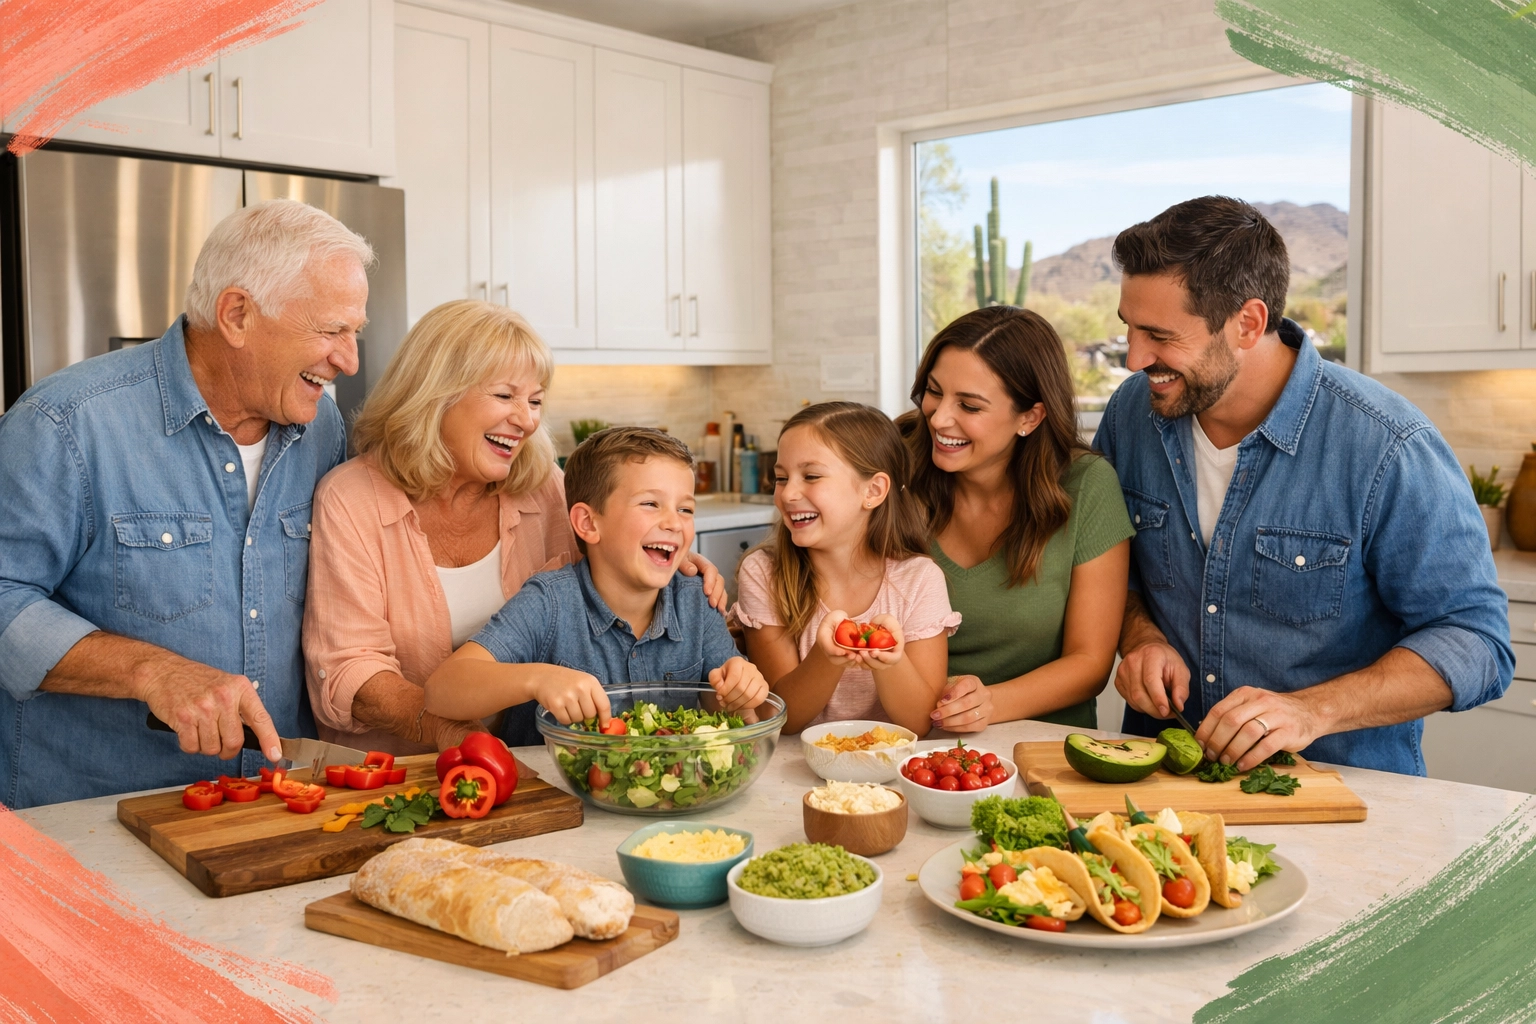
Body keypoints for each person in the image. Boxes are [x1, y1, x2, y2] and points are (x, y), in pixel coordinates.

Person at [1095, 195, 1513, 774]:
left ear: (1248, 323)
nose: (1135, 358)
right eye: (1129, 330)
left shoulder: (1386, 445)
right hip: (1166, 787)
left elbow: (1476, 641)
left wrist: (1312, 712)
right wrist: (1140, 637)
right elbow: (1111, 573)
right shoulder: (1130, 416)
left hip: (1346, 792)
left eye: (1160, 336)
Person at [0, 199, 371, 807]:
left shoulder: (322, 426)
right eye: (331, 331)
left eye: (354, 332)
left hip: (268, 809)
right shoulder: (64, 423)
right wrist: (151, 672)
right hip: (93, 823)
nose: (349, 360)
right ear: (237, 315)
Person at [305, 303, 728, 755]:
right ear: (436, 394)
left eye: (535, 401)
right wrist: (457, 735)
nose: (527, 420)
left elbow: (609, 552)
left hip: (526, 762)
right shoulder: (350, 500)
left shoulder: (545, 487)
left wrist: (673, 553)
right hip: (395, 768)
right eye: (506, 396)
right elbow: (353, 670)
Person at [423, 427, 768, 740]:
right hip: (554, 794)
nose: (675, 524)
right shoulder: (550, 603)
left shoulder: (695, 602)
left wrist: (741, 687)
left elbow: (735, 717)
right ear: (588, 523)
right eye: (650, 504)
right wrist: (538, 679)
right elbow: (442, 689)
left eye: (686, 510)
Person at [898, 307, 1134, 733]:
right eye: (934, 391)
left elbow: (1090, 663)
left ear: (1030, 417)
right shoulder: (894, 469)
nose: (938, 418)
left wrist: (989, 703)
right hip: (900, 740)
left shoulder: (1087, 487)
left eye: (969, 405)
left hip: (1040, 747)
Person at [735, 402, 958, 736]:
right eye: (781, 478)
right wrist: (827, 656)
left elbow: (920, 723)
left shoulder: (919, 580)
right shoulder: (764, 574)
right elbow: (781, 718)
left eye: (811, 476)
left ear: (873, 491)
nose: (788, 493)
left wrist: (889, 661)